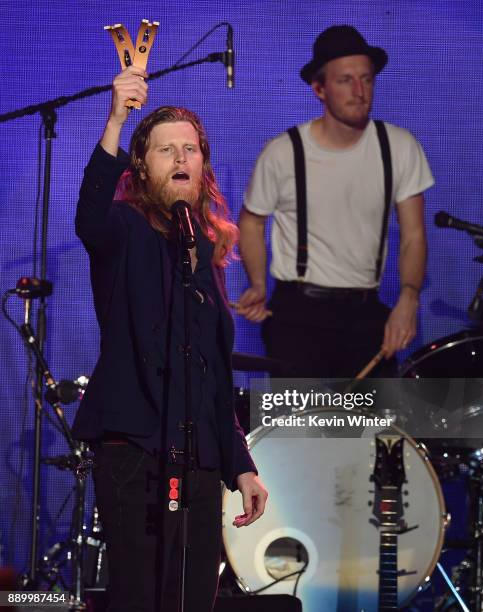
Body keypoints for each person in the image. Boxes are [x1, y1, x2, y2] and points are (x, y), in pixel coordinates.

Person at [72, 66, 267, 612]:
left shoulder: (206, 252)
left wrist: (241, 464)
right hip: (134, 452)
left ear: (203, 165)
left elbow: (211, 372)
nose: (181, 158)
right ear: (142, 165)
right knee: (140, 597)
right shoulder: (123, 231)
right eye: (166, 150)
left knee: (192, 599)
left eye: (191, 148)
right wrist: (116, 119)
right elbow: (87, 218)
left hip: (200, 459)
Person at [237, 25, 434, 378]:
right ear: (319, 89)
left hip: (365, 312)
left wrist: (409, 298)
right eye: (346, 80)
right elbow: (251, 220)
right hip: (296, 315)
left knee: (369, 429)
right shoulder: (283, 153)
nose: (360, 92)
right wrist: (257, 284)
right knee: (304, 431)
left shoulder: (399, 148)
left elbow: (414, 235)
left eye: (367, 79)